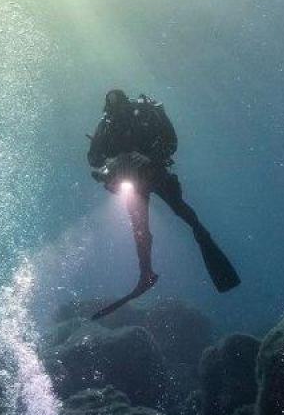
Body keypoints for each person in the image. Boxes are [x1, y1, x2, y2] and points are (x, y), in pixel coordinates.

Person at [87, 89, 239, 313]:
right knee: (140, 229)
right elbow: (92, 158)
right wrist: (113, 160)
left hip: (154, 172)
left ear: (128, 106)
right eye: (113, 109)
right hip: (131, 182)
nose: (117, 112)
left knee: (182, 212)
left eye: (120, 108)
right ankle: (146, 273)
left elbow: (171, 142)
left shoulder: (146, 114)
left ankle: (204, 241)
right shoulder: (107, 124)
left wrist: (150, 157)